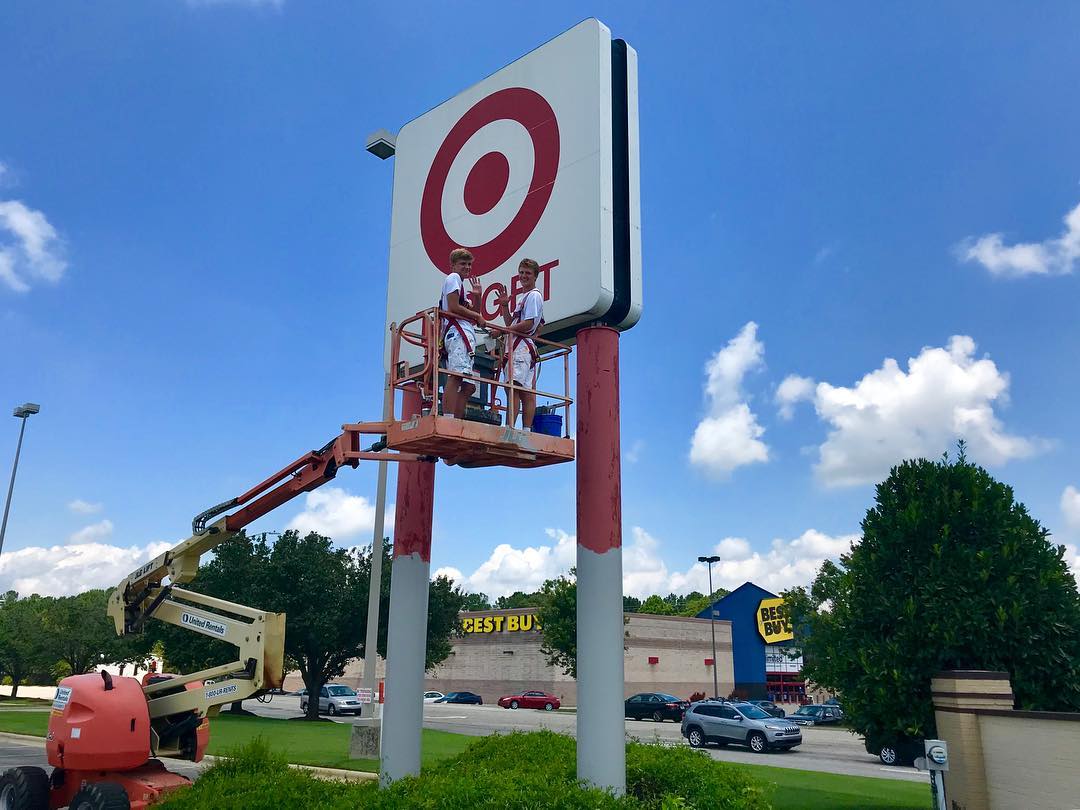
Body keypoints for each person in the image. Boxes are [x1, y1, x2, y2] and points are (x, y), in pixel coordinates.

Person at [495, 258, 544, 429]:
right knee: (523, 391)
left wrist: (502, 331)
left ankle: (511, 428)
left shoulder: (533, 296)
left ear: (535, 276)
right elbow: (512, 323)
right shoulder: (525, 297)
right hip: (521, 346)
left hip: (521, 347)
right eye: (521, 272)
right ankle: (525, 430)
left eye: (528, 273)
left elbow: (528, 324)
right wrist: (504, 306)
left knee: (514, 388)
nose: (523, 276)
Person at [439, 248, 482, 420]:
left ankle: (456, 420)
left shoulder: (461, 287)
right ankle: (449, 419)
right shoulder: (453, 278)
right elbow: (453, 307)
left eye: (469, 264)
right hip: (457, 334)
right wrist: (477, 316)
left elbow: (474, 313)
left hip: (464, 334)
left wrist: (477, 296)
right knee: (457, 376)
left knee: (468, 386)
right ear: (453, 265)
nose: (467, 267)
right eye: (463, 263)